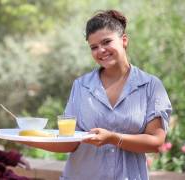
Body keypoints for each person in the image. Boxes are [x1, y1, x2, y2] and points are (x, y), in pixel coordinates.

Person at [20, 10, 172, 180]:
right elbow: (70, 141)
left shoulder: (150, 86)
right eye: (94, 47)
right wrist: (27, 138)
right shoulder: (81, 86)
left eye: (106, 42)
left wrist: (113, 138)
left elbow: (156, 142)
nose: (101, 50)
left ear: (124, 40)